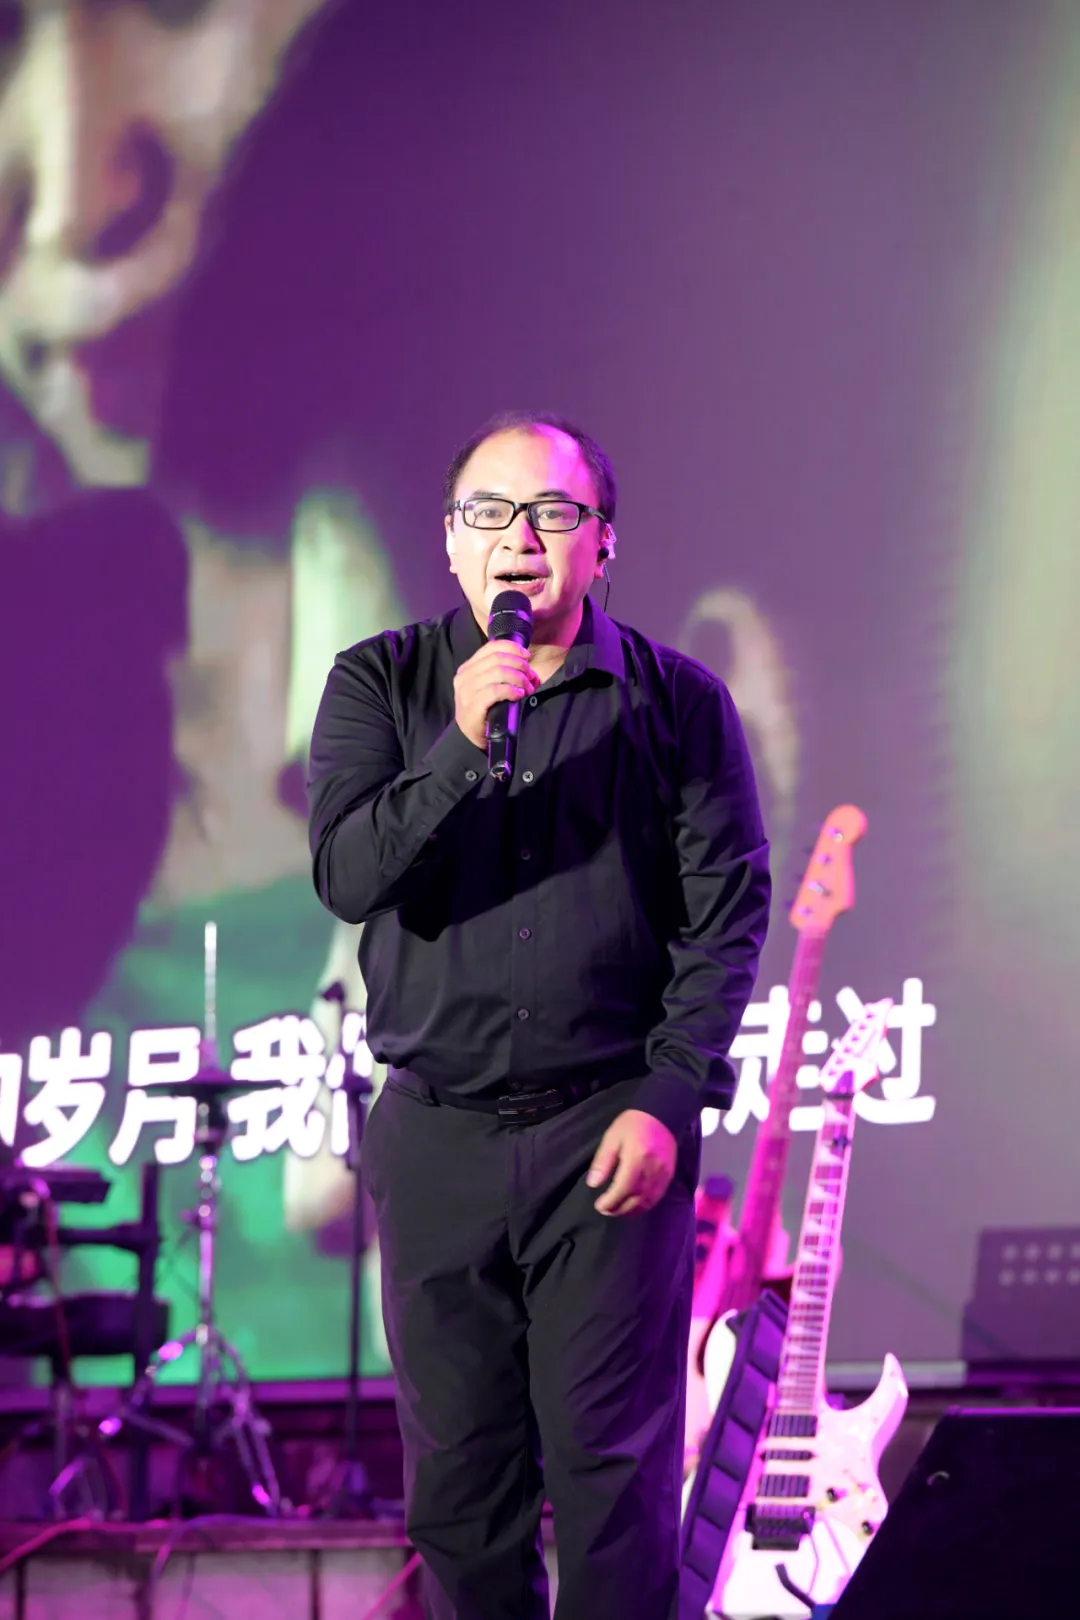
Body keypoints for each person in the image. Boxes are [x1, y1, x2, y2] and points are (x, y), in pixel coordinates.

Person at [307, 412, 770, 1618]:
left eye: (555, 513)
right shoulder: (382, 684)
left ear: (603, 542)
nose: (521, 537)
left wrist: (670, 1098)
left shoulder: (680, 706)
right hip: (437, 1134)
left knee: (613, 1481)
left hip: (606, 1131)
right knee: (461, 1494)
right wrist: (460, 747)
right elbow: (349, 876)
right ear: (451, 542)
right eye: (490, 513)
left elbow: (726, 917)